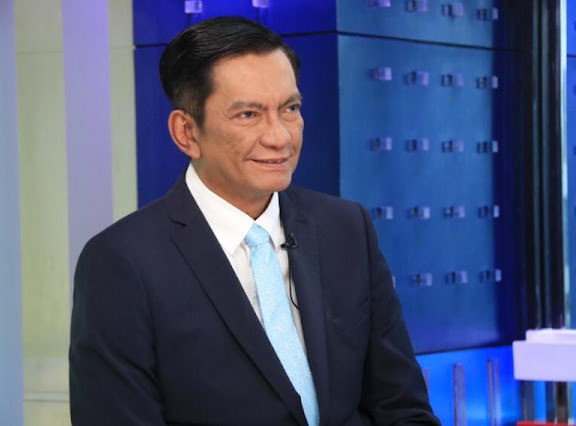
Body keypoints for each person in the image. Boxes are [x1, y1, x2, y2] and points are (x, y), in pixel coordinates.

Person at [69, 16, 440, 426]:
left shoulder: (346, 228)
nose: (280, 137)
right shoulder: (123, 262)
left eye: (290, 109)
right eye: (248, 114)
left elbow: (402, 407)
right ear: (187, 132)